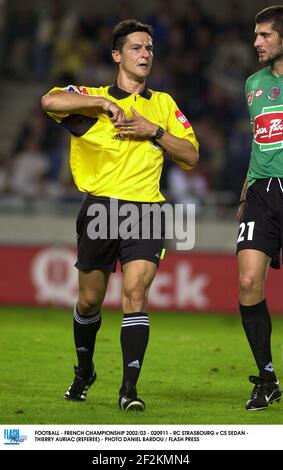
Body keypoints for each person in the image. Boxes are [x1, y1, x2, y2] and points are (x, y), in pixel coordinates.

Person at [41, 19, 199, 411]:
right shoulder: (91, 98)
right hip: (100, 208)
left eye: (150, 48)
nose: (146, 54)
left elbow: (192, 155)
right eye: (136, 48)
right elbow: (49, 101)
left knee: (135, 295)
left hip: (147, 210)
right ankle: (84, 370)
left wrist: (154, 131)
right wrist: (104, 104)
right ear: (117, 55)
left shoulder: (162, 105)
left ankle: (129, 390)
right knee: (90, 301)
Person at [236, 6, 283, 411]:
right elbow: (259, 141)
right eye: (256, 35)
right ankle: (267, 378)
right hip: (262, 192)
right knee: (249, 282)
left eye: (265, 35)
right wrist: (245, 190)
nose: (257, 42)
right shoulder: (253, 83)